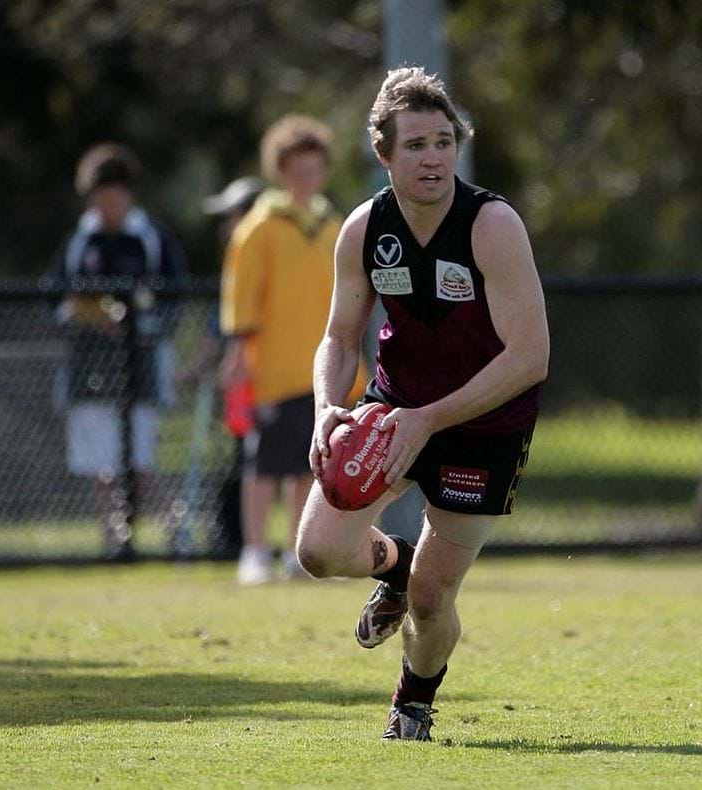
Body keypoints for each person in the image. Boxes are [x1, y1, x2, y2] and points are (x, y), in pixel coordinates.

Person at [295, 67, 549, 741]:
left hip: (485, 426)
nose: (434, 158)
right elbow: (339, 337)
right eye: (415, 145)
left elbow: (530, 356)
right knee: (318, 551)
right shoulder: (363, 228)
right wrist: (326, 408)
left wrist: (431, 418)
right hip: (394, 408)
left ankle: (412, 702)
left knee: (434, 599)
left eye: (444, 142)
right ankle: (398, 564)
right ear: (383, 153)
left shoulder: (492, 225)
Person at [220, 116, 354, 585]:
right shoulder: (260, 227)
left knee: (308, 468)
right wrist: (238, 354)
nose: (307, 180)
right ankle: (255, 551)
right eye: (298, 171)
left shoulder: (335, 225)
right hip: (271, 371)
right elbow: (241, 296)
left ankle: (298, 553)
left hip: (321, 372)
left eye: (315, 171)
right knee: (262, 467)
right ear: (280, 171)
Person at [48, 142, 187, 559]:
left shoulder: (150, 237)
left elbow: (174, 300)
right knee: (99, 465)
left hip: (140, 367)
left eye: (113, 198)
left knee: (139, 462)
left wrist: (138, 325)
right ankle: (113, 540)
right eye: (98, 199)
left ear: (128, 195)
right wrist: (86, 315)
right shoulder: (80, 240)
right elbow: (53, 298)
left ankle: (176, 527)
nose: (105, 208)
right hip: (89, 367)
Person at [173, 176, 266, 559]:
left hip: (268, 384)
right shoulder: (236, 265)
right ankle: (240, 540)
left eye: (231, 217)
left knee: (265, 464)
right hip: (243, 388)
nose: (226, 228)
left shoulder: (258, 262)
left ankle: (256, 544)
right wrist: (193, 370)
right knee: (245, 460)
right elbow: (217, 332)